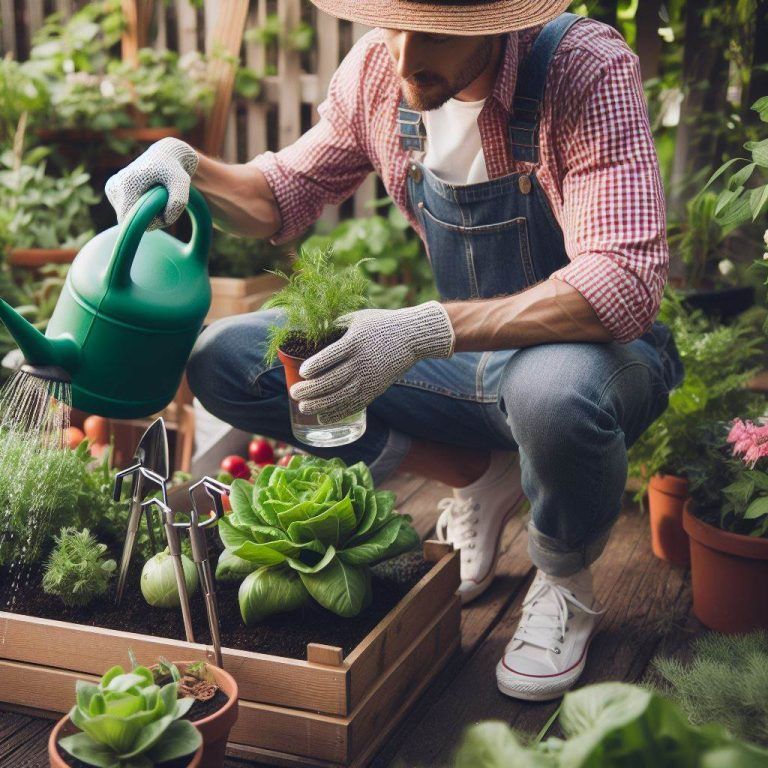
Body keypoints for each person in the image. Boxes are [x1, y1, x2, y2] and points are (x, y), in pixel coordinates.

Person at [105, 0, 684, 701]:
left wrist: (420, 330)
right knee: (229, 357)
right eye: (393, 24)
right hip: (469, 360)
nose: (404, 57)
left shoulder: (582, 69)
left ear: (498, 19)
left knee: (551, 396)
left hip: (589, 356)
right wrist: (187, 164)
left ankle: (563, 578)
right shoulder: (381, 72)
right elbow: (282, 194)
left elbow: (621, 280)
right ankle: (474, 473)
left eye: (434, 32)